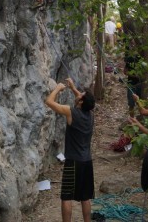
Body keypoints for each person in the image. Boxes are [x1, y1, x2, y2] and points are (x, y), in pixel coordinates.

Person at [45, 78, 95, 222]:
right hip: (87, 162)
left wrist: (58, 89)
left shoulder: (70, 112)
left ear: (80, 102)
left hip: (73, 162)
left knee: (66, 196)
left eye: (79, 96)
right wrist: (73, 88)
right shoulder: (91, 115)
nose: (78, 95)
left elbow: (49, 102)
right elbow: (85, 100)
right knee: (85, 197)